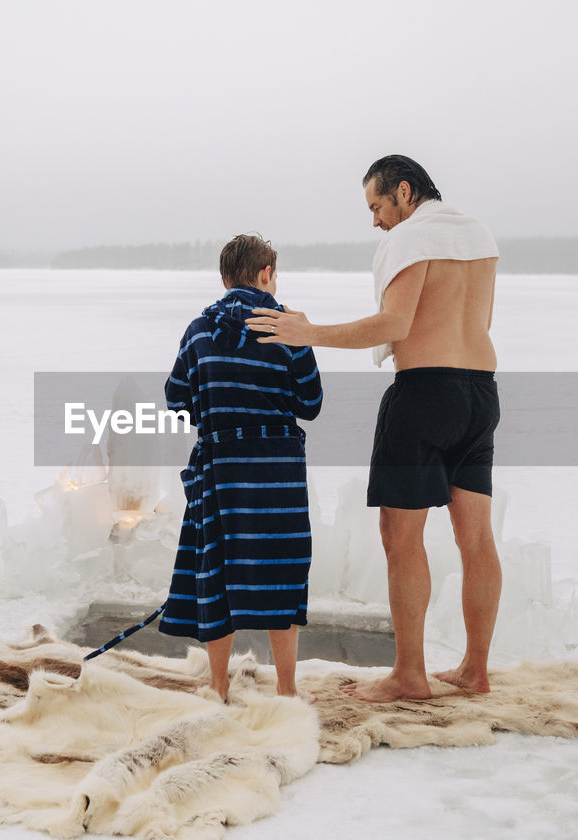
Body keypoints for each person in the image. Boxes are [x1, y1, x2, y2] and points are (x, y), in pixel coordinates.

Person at [246, 155, 502, 702]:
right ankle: (475, 671)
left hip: (425, 394)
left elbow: (395, 324)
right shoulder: (478, 235)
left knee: (400, 538)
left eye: (378, 206)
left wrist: (306, 333)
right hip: (481, 393)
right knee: (476, 538)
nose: (376, 220)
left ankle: (410, 675)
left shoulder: (412, 238)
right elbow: (479, 319)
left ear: (404, 193)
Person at [160, 233, 322, 703]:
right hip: (278, 475)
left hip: (221, 472)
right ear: (266, 274)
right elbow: (310, 403)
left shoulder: (198, 331)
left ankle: (218, 686)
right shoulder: (288, 329)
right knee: (284, 574)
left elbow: (176, 398)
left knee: (217, 574)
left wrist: (214, 412)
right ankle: (288, 690)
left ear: (225, 277)